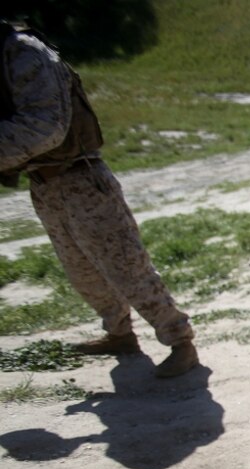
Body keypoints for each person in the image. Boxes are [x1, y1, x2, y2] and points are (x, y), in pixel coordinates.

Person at [0, 21, 198, 378]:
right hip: (44, 184)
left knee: (127, 267)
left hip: (81, 178)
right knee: (83, 272)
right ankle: (119, 333)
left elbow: (46, 126)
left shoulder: (22, 51)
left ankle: (180, 341)